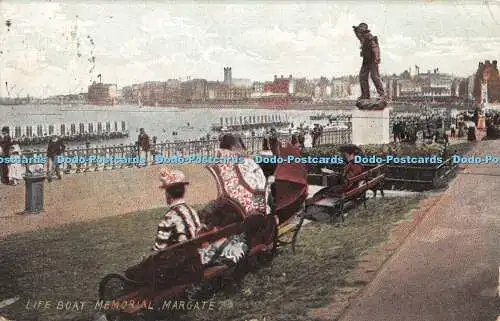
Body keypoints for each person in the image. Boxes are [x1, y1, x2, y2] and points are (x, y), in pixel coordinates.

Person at [353, 23, 385, 100]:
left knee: (374, 76)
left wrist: (377, 58)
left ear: (364, 31)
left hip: (373, 59)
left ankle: (382, 94)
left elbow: (376, 48)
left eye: (360, 31)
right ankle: (365, 95)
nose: (359, 34)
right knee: (362, 76)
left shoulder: (370, 37)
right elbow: (357, 35)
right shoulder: (362, 36)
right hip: (366, 60)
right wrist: (355, 30)